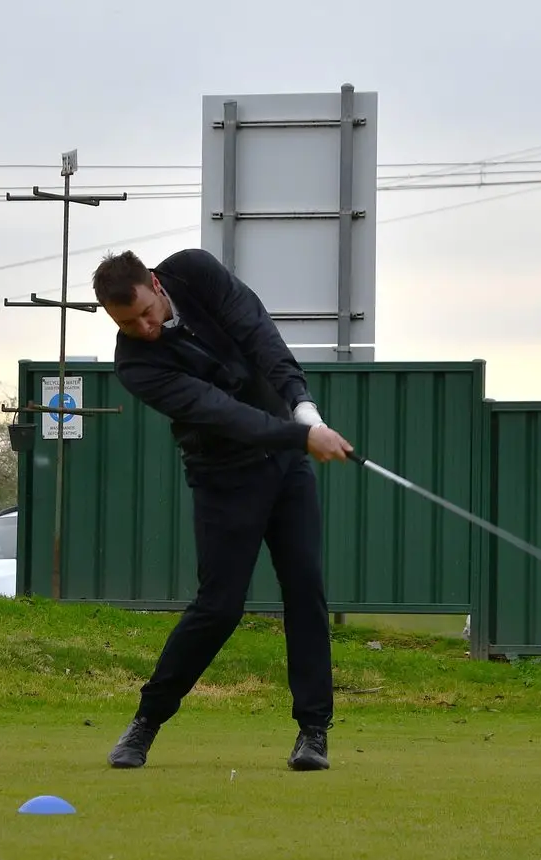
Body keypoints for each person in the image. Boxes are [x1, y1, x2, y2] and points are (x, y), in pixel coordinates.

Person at [90, 247, 353, 772]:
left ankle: (313, 732)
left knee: (305, 588)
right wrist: (302, 435)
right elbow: (224, 414)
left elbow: (258, 331)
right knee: (219, 607)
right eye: (127, 322)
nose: (143, 327)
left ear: (157, 286)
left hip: (285, 463)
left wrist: (300, 402)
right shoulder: (135, 364)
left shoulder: (196, 271)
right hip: (223, 476)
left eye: (146, 312)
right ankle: (148, 720)